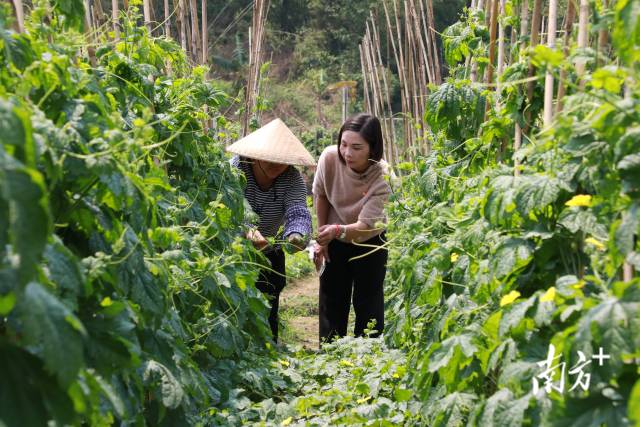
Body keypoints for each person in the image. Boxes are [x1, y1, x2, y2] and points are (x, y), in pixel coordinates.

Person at [227, 118, 315, 342]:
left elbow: (298, 211)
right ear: (255, 155)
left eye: (282, 160)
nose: (277, 164)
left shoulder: (292, 178)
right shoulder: (235, 170)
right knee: (233, 307)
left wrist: (296, 234)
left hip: (269, 250)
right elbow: (228, 208)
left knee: (268, 306)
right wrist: (246, 230)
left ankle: (268, 354)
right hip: (232, 252)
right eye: (270, 158)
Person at [312, 113, 392, 343]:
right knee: (332, 297)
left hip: (370, 241)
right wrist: (323, 238)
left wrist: (337, 230)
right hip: (335, 236)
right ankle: (330, 354)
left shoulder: (382, 176)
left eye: (357, 147)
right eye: (343, 144)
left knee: (369, 301)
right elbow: (322, 195)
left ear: (373, 148)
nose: (347, 153)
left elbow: (366, 226)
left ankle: (367, 354)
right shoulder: (329, 157)